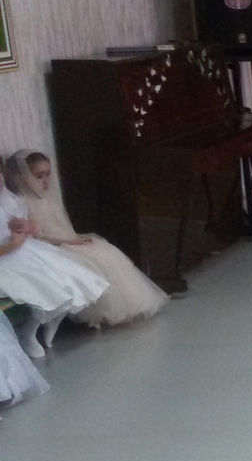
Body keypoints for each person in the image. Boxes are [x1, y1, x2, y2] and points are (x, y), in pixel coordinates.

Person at [5, 150, 167, 328]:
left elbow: (61, 227)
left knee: (106, 253)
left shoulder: (46, 199)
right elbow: (38, 239)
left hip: (66, 240)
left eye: (48, 174)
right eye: (39, 176)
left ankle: (131, 304)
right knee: (93, 261)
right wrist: (68, 242)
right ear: (22, 178)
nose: (46, 181)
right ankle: (101, 311)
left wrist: (75, 238)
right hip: (51, 247)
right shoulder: (22, 203)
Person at [0, 161, 109, 359]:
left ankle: (45, 323)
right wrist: (14, 244)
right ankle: (28, 332)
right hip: (5, 257)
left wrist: (27, 227)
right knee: (39, 284)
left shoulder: (8, 199)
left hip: (23, 249)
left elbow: (28, 226)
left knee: (67, 277)